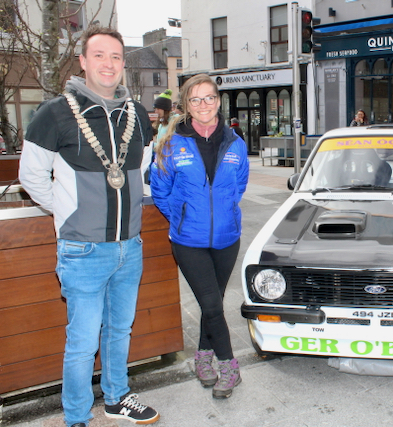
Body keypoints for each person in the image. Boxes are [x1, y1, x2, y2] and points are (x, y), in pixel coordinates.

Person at [18, 26, 159, 427]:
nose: (109, 64)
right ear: (83, 62)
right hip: (83, 251)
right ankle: (76, 417)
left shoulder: (136, 115)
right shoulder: (54, 113)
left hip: (128, 247)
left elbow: (142, 167)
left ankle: (117, 397)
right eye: (99, 55)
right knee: (81, 343)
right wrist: (68, 213)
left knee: (119, 331)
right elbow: (32, 177)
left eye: (116, 57)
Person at [150, 74, 249, 399]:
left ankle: (202, 357)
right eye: (196, 99)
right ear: (186, 105)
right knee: (210, 302)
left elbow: (240, 186)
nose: (203, 105)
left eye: (209, 98)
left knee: (213, 305)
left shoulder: (236, 143)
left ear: (218, 101)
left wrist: (223, 211)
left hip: (227, 238)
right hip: (187, 240)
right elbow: (161, 190)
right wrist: (181, 216)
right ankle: (228, 366)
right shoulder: (171, 142)